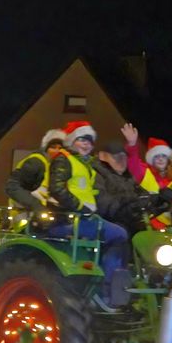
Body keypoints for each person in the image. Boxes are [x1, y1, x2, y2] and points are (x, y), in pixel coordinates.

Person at [48, 121, 130, 311]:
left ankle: (112, 286)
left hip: (85, 218)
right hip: (69, 220)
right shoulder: (63, 160)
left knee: (117, 231)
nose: (86, 145)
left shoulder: (86, 164)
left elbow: (98, 190)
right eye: (82, 140)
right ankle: (107, 291)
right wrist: (79, 207)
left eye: (89, 142)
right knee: (119, 234)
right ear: (72, 141)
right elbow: (57, 189)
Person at [121, 123, 172, 229]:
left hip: (169, 227)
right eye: (156, 156)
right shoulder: (144, 172)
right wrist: (132, 144)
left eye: (163, 156)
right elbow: (133, 160)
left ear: (168, 159)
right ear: (151, 159)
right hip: (145, 224)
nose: (160, 159)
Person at [5, 128, 65, 213]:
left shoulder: (56, 166)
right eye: (53, 147)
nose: (57, 151)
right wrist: (36, 206)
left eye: (61, 148)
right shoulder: (36, 162)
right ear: (45, 148)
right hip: (25, 214)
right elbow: (12, 187)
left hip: (43, 214)